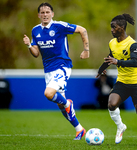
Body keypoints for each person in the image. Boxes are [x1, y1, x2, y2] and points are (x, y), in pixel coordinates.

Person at [23, 2, 89, 140]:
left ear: (52, 14)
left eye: (47, 12)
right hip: (48, 70)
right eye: (42, 12)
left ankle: (68, 104)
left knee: (49, 94)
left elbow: (82, 30)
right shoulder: (35, 30)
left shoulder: (59, 26)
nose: (45, 14)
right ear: (39, 15)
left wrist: (86, 49)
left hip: (62, 66)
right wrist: (29, 45)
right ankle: (79, 129)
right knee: (61, 106)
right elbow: (36, 53)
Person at [96, 14, 137, 146]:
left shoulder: (132, 44)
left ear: (122, 27)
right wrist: (101, 69)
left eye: (114, 27)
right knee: (111, 104)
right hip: (122, 81)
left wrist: (117, 62)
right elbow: (111, 56)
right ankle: (120, 126)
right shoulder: (112, 42)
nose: (111, 30)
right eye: (111, 27)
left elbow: (135, 61)